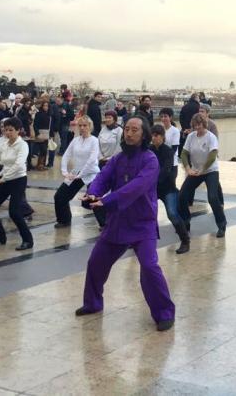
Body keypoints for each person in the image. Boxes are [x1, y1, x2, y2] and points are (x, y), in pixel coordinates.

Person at [76, 117, 176, 331]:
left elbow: (137, 187)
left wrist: (107, 201)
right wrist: (92, 194)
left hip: (142, 224)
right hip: (118, 222)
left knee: (149, 267)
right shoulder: (118, 159)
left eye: (134, 130)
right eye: (127, 130)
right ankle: (92, 303)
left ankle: (165, 313)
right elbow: (102, 178)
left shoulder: (150, 160)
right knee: (96, 263)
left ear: (144, 134)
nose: (129, 134)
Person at [0, 117, 33, 250]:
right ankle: (0, 237)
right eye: (6, 130)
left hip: (18, 179)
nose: (8, 133)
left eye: (11, 130)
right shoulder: (3, 144)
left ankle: (28, 240)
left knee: (14, 212)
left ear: (18, 131)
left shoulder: (23, 145)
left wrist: (2, 178)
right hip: (4, 178)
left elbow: (18, 164)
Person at [178, 113, 226, 238]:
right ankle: (186, 222)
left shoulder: (211, 137)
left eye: (199, 125)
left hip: (210, 171)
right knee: (182, 195)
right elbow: (184, 153)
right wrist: (188, 168)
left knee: (212, 197)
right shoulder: (191, 136)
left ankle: (221, 224)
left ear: (204, 124)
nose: (197, 128)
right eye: (195, 126)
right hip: (195, 171)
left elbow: (212, 155)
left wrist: (203, 169)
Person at [150, 124, 189, 254]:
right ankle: (140, 240)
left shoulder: (168, 151)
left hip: (167, 188)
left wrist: (152, 179)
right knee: (145, 212)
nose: (154, 138)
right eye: (153, 135)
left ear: (162, 137)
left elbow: (166, 170)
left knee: (172, 213)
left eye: (157, 135)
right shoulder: (149, 150)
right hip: (152, 188)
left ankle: (185, 240)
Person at [54, 118, 100, 228]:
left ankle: (105, 224)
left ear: (90, 126)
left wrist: (80, 175)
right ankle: (64, 220)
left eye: (85, 125)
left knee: (94, 198)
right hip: (76, 172)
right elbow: (66, 155)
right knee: (60, 196)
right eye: (80, 125)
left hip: (91, 173)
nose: (82, 128)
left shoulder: (94, 140)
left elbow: (92, 160)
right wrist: (65, 172)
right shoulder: (76, 140)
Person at [32, 99, 52, 170]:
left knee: (44, 150)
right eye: (44, 105)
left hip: (47, 134)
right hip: (40, 133)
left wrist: (51, 135)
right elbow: (35, 125)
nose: (46, 107)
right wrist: (37, 134)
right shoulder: (39, 114)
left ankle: (42, 165)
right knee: (42, 149)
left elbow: (50, 126)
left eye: (47, 106)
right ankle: (40, 165)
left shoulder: (49, 115)